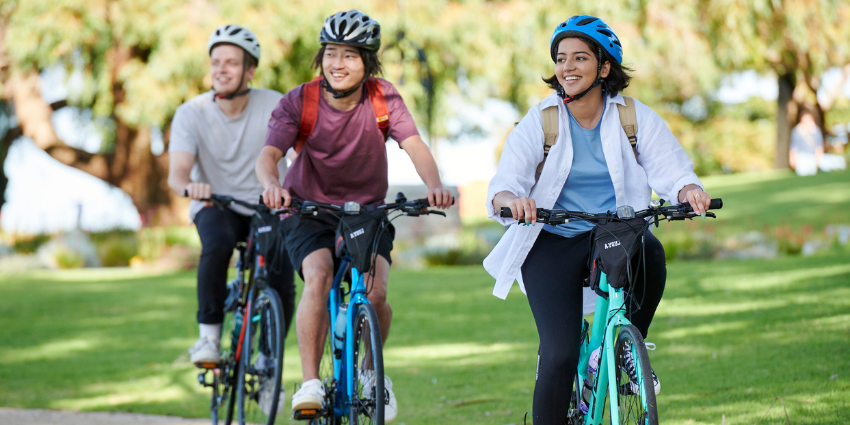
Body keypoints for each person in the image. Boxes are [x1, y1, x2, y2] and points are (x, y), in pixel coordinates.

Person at [483, 15, 711, 423]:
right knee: (560, 353)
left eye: (580, 58)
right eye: (560, 58)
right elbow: (505, 183)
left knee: (651, 253)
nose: (566, 67)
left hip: (615, 234)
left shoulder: (632, 117)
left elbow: (671, 168)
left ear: (604, 68)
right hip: (552, 239)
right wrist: (512, 200)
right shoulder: (543, 119)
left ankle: (626, 347)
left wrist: (686, 190)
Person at [255, 10, 453, 422]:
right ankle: (310, 383)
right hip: (307, 209)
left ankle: (369, 376)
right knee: (319, 274)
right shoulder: (301, 100)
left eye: (349, 55)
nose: (337, 63)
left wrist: (435, 185)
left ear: (367, 62)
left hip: (367, 212)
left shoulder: (383, 98)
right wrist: (272, 186)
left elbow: (414, 145)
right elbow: (268, 156)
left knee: (376, 293)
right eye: (330, 53)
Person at [167, 25, 296, 390]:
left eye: (231, 62)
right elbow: (176, 175)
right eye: (216, 62)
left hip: (267, 202)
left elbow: (302, 154)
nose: (221, 69)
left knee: (281, 274)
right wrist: (192, 186)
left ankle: (268, 359)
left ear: (250, 70)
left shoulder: (275, 104)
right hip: (215, 202)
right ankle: (208, 337)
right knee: (218, 244)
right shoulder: (190, 113)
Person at [789, 108, 824, 176]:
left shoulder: (816, 130)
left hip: (812, 156)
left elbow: (819, 146)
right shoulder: (797, 131)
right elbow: (794, 146)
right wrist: (792, 159)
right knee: (802, 173)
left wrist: (818, 158)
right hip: (801, 157)